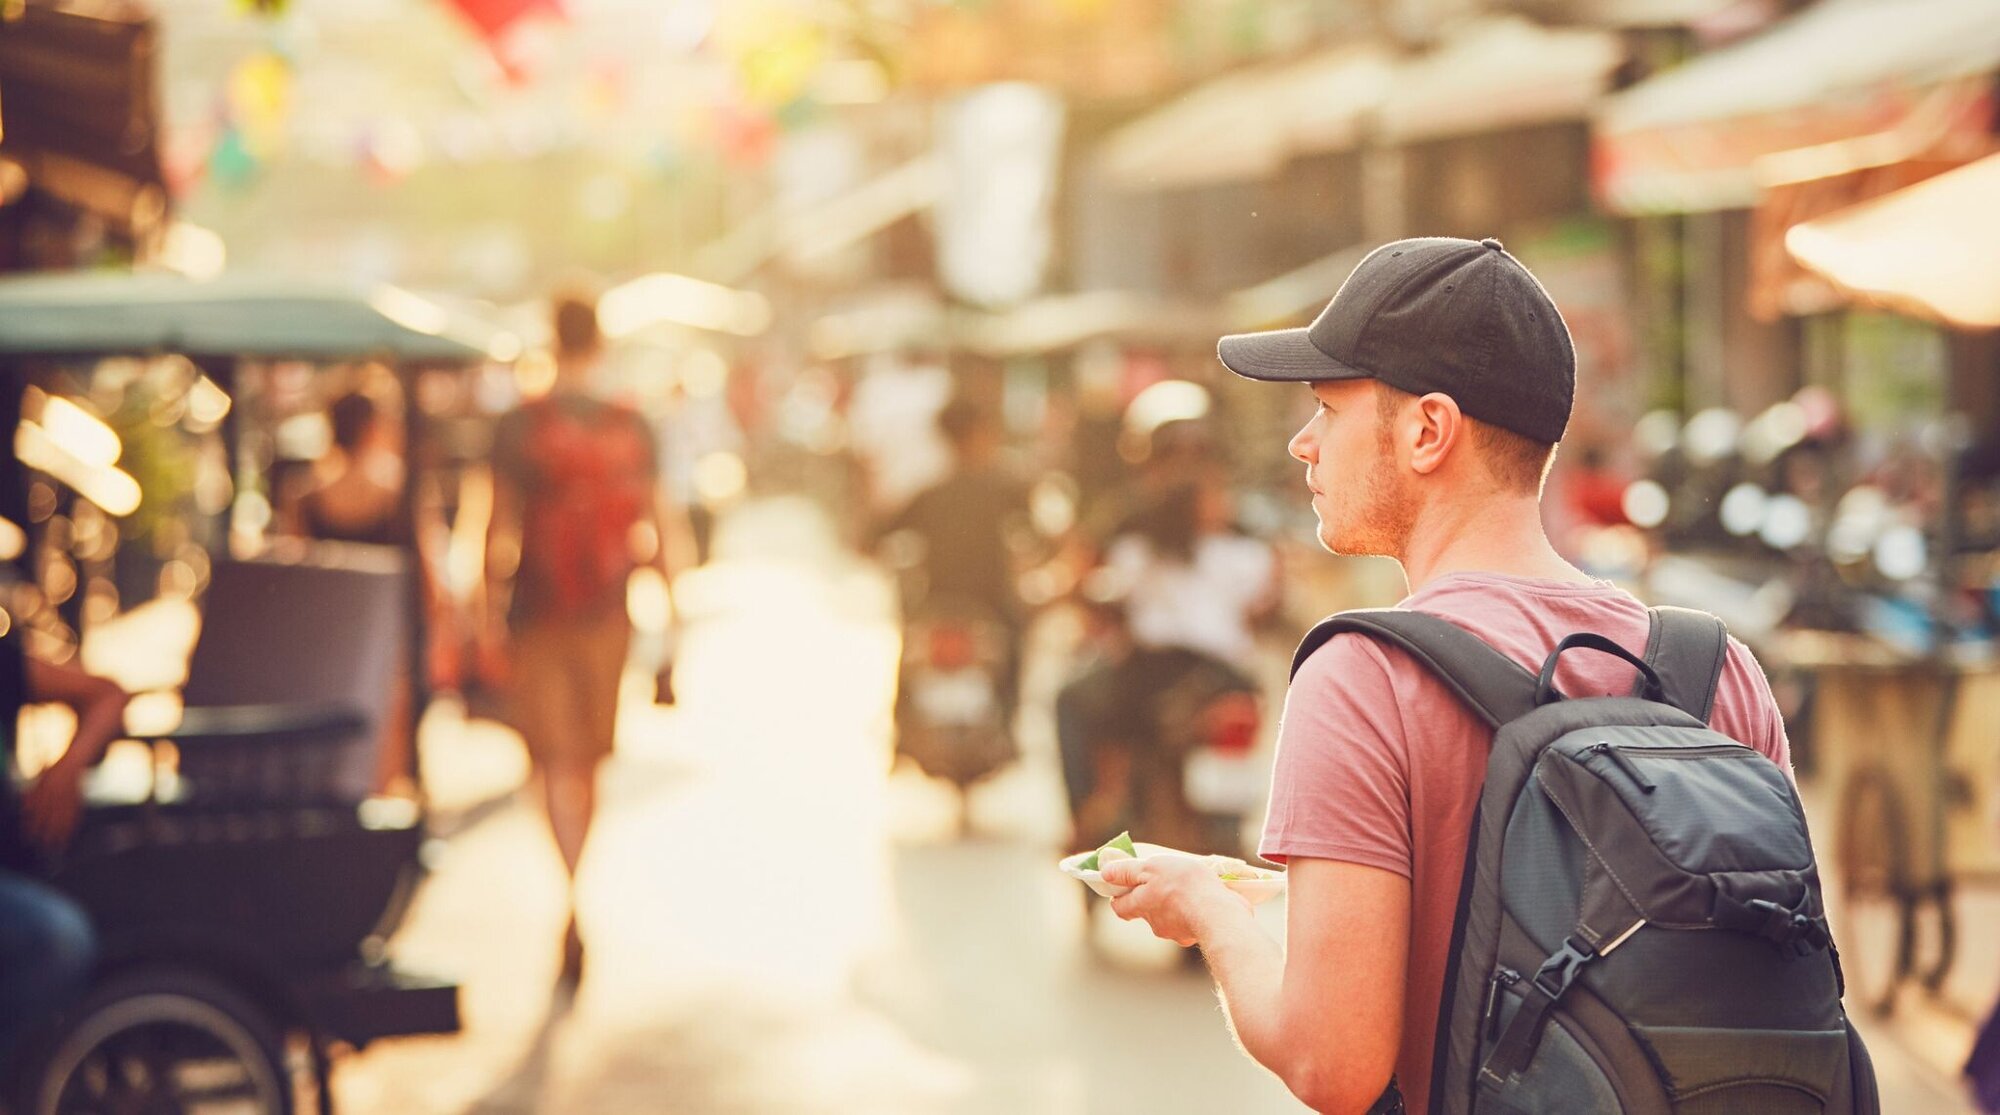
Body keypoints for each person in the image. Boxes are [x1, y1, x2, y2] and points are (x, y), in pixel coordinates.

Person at [1099, 237, 1792, 1115]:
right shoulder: (1718, 668)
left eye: (1327, 407)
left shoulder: (1363, 674)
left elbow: (1333, 1062)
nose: (1302, 443)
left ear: (1428, 430)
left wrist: (1208, 905)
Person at [480, 289, 676, 986]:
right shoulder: (632, 423)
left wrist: (476, 615)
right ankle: (577, 888)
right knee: (586, 764)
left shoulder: (519, 425)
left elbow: (495, 526)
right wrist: (674, 617)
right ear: (601, 342)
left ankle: (566, 885)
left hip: (535, 615)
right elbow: (660, 527)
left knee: (546, 761)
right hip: (608, 616)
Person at [0, 632, 128, 1074]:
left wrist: (68, 767)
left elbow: (109, 694)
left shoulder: (5, 665)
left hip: (24, 869)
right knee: (59, 937)